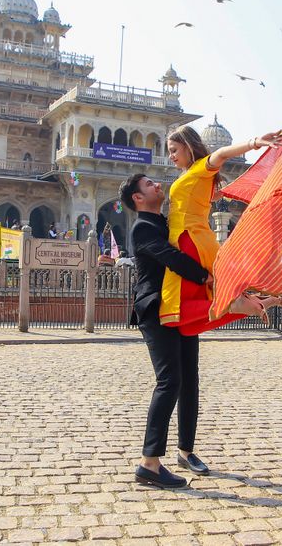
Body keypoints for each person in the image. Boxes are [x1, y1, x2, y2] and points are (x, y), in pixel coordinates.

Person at [120, 173, 213, 489]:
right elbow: (172, 258)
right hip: (156, 309)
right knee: (169, 379)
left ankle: (186, 451)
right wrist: (204, 277)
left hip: (180, 308)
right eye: (149, 185)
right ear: (137, 198)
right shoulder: (143, 228)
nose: (157, 185)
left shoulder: (167, 223)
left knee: (190, 379)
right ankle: (149, 463)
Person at [160, 126, 282, 335]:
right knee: (187, 318)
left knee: (175, 311)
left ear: (188, 147)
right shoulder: (195, 177)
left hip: (188, 240)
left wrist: (254, 142)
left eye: (174, 149)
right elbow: (209, 198)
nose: (171, 156)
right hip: (196, 240)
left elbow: (219, 155)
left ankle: (235, 305)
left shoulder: (200, 167)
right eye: (169, 151)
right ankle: (254, 303)